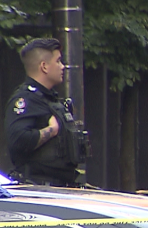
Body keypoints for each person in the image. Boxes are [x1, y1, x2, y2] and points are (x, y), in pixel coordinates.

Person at [5, 38, 88, 187]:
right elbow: (18, 140)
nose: (62, 67)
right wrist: (51, 130)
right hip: (38, 192)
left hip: (61, 188)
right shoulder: (26, 99)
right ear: (44, 66)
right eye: (58, 61)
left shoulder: (50, 101)